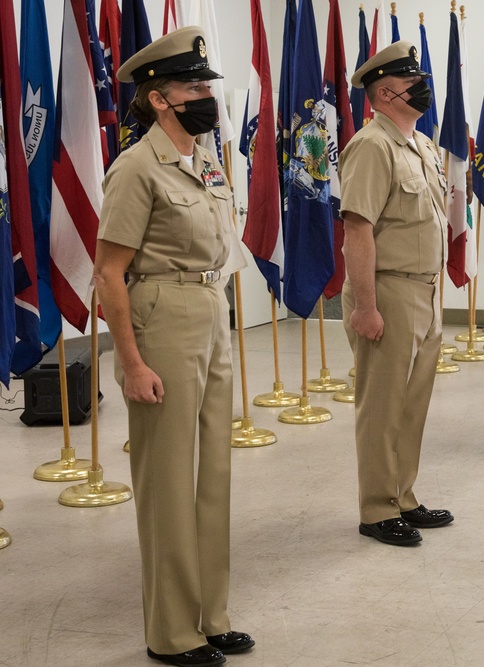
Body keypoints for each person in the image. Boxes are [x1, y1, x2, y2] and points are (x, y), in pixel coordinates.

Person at [93, 27, 253, 667]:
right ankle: (171, 630)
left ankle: (209, 615)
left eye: (204, 84)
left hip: (212, 312)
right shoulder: (136, 168)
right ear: (159, 99)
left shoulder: (205, 158)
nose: (204, 94)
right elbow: (108, 273)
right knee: (166, 476)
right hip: (162, 315)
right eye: (192, 86)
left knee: (212, 469)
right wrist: (129, 363)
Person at [340, 41, 453, 547]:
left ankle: (403, 495)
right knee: (382, 406)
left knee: (412, 404)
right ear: (385, 93)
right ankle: (377, 508)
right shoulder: (372, 145)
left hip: (426, 291)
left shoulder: (421, 144)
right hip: (388, 291)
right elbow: (358, 231)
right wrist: (365, 306)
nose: (423, 89)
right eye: (414, 82)